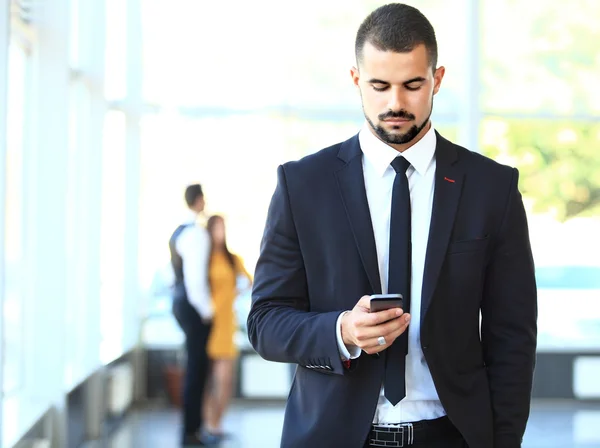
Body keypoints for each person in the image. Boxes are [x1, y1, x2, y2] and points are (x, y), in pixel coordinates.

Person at [247, 4, 537, 448]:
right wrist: (341, 331)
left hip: (451, 436)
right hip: (331, 436)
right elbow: (265, 322)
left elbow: (513, 336)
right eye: (379, 86)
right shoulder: (302, 185)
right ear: (356, 79)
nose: (395, 103)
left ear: (437, 80)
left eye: (412, 85)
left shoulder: (492, 189)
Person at [169, 184, 215, 447]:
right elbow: (196, 280)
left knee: (194, 368)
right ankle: (192, 432)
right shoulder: (197, 234)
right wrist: (207, 312)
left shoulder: (178, 232)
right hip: (193, 307)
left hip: (180, 303)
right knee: (197, 371)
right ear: (198, 201)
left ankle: (192, 430)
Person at [203, 215, 252, 439]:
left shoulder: (232, 259)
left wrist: (237, 292)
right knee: (209, 379)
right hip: (209, 323)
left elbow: (251, 280)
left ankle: (217, 422)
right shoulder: (205, 259)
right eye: (216, 228)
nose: (219, 233)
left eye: (222, 228)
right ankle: (209, 424)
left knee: (225, 380)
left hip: (227, 322)